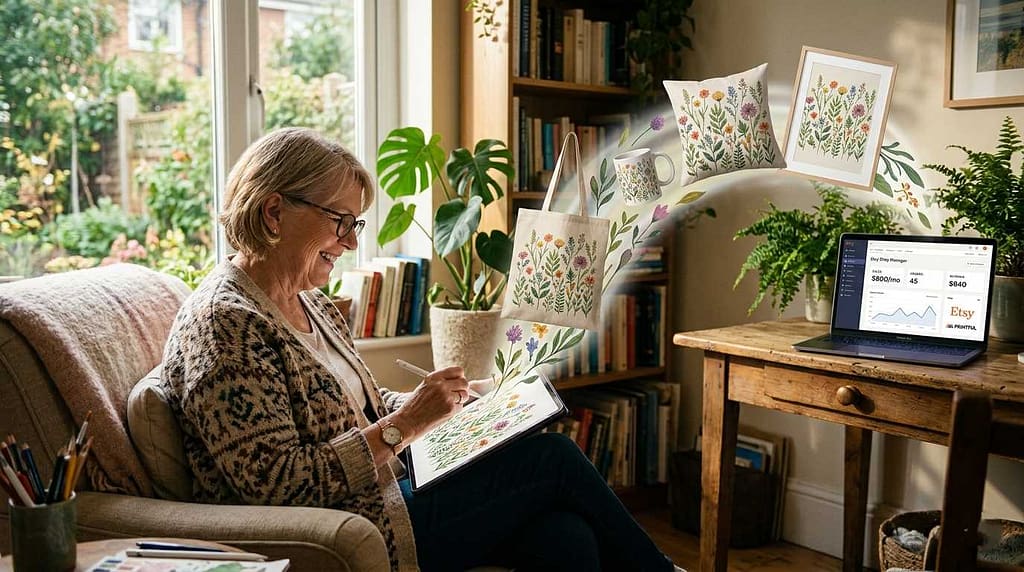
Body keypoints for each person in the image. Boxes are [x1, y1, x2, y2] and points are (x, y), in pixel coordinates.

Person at [161, 127, 680, 572]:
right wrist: (406, 424)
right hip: (353, 522)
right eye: (340, 221)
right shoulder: (227, 326)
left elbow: (357, 406)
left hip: (390, 490)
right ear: (274, 211)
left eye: (355, 225)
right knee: (553, 459)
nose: (349, 242)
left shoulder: (305, 300)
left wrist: (442, 407)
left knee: (566, 537)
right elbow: (275, 484)